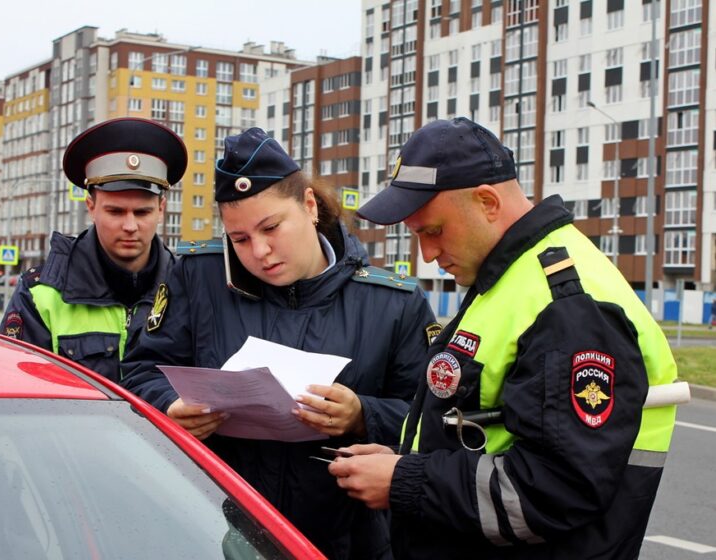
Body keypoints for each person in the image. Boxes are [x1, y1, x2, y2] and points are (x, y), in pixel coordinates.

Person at [328, 117, 679, 559]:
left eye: (432, 231)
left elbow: (555, 489)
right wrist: (403, 462)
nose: (428, 254)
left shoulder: (564, 302)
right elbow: (490, 433)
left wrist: (405, 481)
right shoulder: (512, 277)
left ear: (487, 202)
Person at [120, 127, 438, 559]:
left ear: (309, 205)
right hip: (212, 530)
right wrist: (169, 407)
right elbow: (140, 372)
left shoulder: (392, 301)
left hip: (345, 541)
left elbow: (430, 421)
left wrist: (363, 416)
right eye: (240, 239)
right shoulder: (198, 278)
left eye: (271, 227)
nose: (261, 251)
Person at [0, 117, 186, 382]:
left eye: (142, 212)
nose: (130, 226)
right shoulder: (42, 294)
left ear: (161, 210)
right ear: (91, 207)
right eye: (116, 211)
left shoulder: (187, 286)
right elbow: (19, 397)